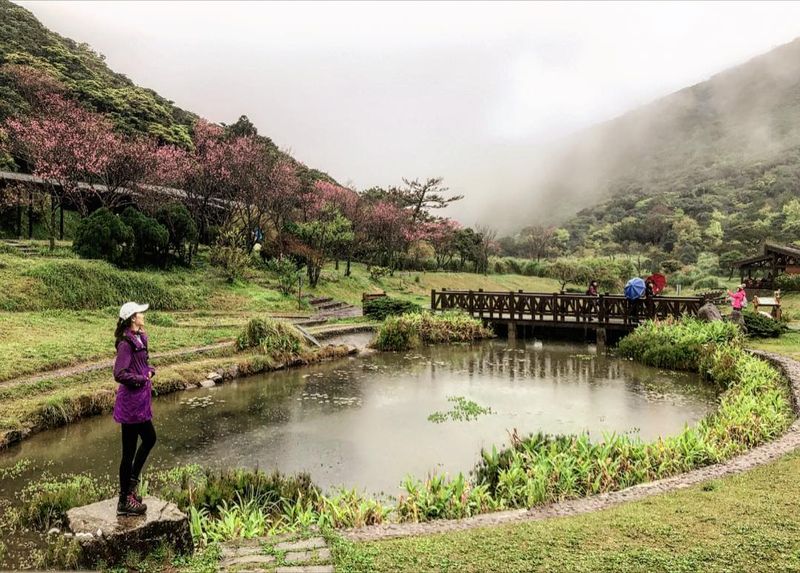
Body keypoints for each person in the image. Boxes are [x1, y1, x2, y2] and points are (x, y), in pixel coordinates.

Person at [113, 302, 156, 516]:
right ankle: (125, 498)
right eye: (140, 313)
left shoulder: (140, 338)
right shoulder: (126, 344)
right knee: (132, 449)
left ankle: (129, 491)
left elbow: (141, 364)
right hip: (131, 404)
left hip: (140, 401)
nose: (143, 315)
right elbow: (119, 373)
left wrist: (149, 370)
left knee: (148, 439)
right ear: (132, 318)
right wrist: (141, 378)